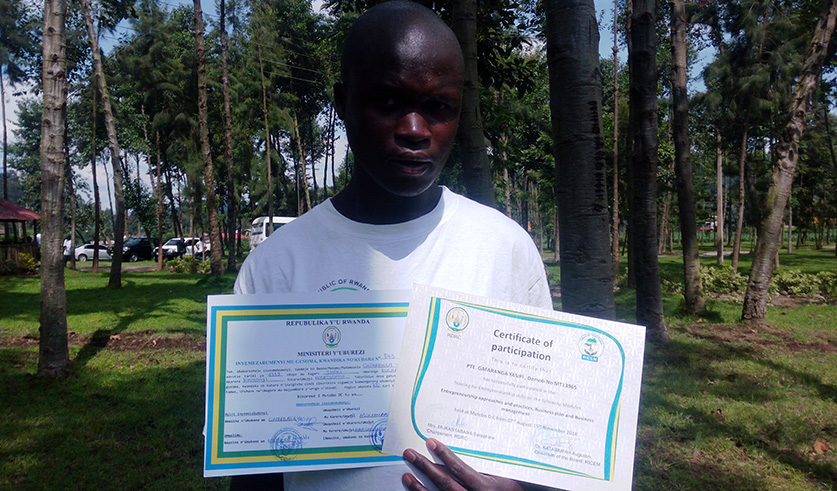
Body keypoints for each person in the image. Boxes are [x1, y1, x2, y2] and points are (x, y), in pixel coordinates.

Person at [232, 2, 552, 490]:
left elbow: (542, 443)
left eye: (438, 108)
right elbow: (255, 476)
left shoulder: (504, 249)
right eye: (386, 102)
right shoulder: (276, 266)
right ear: (343, 103)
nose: (414, 130)